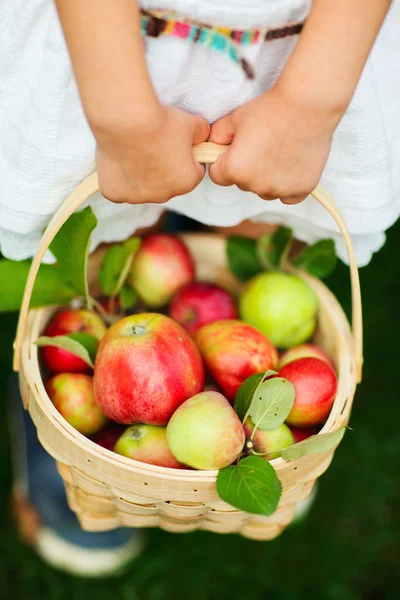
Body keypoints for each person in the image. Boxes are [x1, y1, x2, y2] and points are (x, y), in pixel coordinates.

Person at [0, 0, 399, 574]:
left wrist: (311, 102)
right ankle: (74, 491)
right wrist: (123, 118)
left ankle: (266, 460)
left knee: (257, 236)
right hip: (109, 53)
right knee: (97, 264)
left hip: (300, 52)